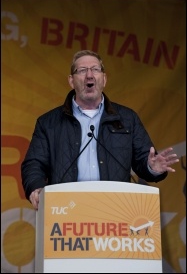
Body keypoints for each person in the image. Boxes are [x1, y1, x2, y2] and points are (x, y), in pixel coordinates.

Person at [21, 49, 179, 210]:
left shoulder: (127, 118)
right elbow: (34, 163)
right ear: (71, 81)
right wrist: (36, 187)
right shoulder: (48, 122)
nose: (89, 75)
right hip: (67, 209)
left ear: (104, 79)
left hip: (115, 209)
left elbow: (143, 162)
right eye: (82, 70)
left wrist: (152, 168)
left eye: (95, 69)